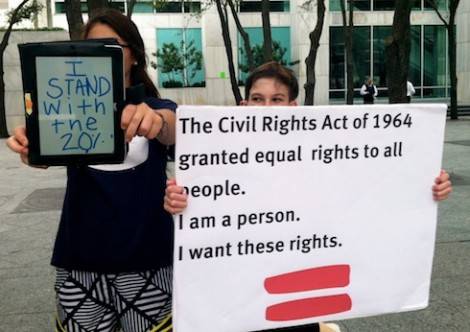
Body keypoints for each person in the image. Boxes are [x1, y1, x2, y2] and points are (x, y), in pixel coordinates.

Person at [164, 62, 453, 332]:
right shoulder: (211, 157)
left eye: (276, 100)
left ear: (293, 107)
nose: (266, 108)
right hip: (236, 299)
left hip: (295, 302)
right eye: (257, 98)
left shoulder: (323, 152)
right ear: (244, 105)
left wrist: (427, 186)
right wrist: (178, 202)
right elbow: (195, 210)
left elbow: (377, 180)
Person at [7, 9, 176, 332]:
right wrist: (32, 150)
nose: (98, 57)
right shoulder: (64, 113)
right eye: (91, 48)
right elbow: (40, 157)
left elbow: (174, 127)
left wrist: (157, 123)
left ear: (135, 57)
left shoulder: (157, 108)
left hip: (149, 263)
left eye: (111, 48)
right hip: (79, 265)